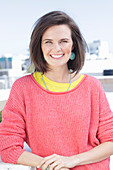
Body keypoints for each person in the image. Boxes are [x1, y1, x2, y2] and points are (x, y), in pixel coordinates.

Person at [0, 10, 113, 170]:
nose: (56, 48)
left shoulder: (92, 86)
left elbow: (110, 141)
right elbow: (8, 148)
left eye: (64, 41)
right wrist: (54, 165)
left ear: (73, 44)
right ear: (39, 45)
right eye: (48, 42)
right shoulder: (23, 88)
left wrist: (73, 160)